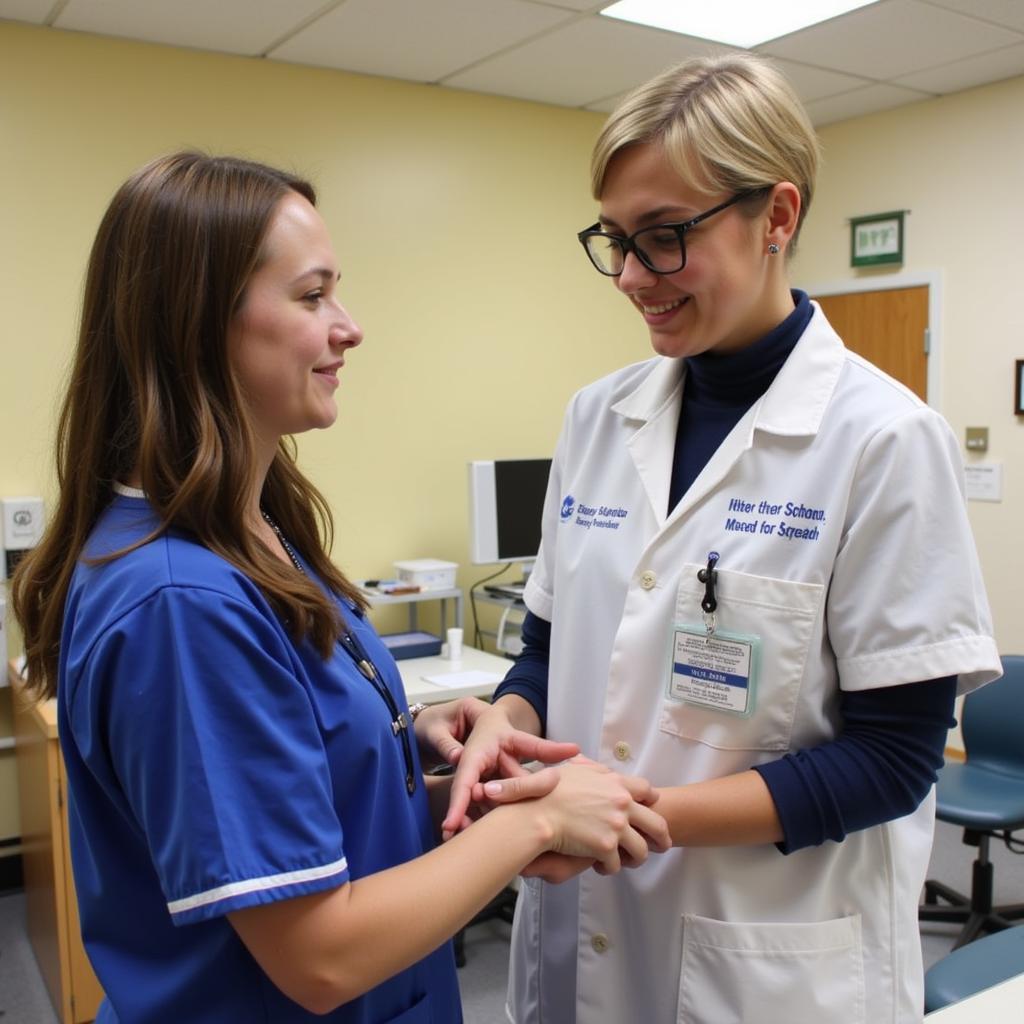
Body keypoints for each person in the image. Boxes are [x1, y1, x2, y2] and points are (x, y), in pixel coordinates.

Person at [11, 151, 671, 1024]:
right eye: (313, 295)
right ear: (199, 323)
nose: (349, 327)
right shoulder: (180, 603)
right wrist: (534, 826)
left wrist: (409, 761)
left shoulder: (252, 533)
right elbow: (319, 956)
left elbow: (291, 809)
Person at [442, 54, 1002, 1023]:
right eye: (613, 240)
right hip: (579, 935)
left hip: (763, 963)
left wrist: (623, 817)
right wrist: (507, 717)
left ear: (776, 216)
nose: (627, 276)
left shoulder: (883, 441)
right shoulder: (594, 418)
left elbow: (891, 760)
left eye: (662, 238)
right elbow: (546, 646)